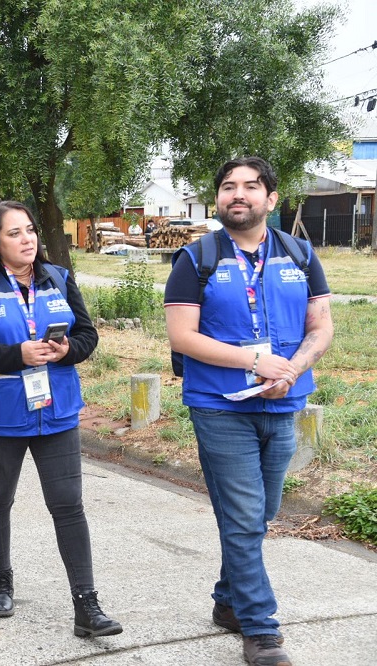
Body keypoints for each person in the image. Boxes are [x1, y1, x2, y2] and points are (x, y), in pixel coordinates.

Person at [165, 157, 333, 666]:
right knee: (242, 518)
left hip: (284, 404)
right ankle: (261, 629)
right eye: (228, 187)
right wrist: (255, 360)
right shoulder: (195, 259)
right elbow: (182, 336)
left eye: (250, 187)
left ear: (271, 199)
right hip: (219, 407)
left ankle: (228, 601)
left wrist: (291, 369)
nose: (238, 194)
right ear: (217, 198)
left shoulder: (301, 254)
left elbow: (321, 327)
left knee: (260, 514)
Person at [0, 201, 121, 637]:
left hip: (57, 412)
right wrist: (16, 354)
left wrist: (68, 351)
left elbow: (87, 335)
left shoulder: (58, 277)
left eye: (30, 230)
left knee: (68, 506)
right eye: (15, 233)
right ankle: (2, 580)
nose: (27, 239)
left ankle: (87, 606)